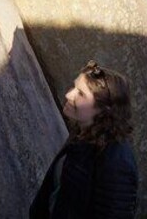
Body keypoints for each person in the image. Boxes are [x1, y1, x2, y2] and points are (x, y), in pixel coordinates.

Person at [30, 61, 139, 218]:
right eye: (75, 87)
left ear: (104, 110)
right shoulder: (83, 134)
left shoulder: (117, 162)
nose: (69, 95)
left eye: (81, 93)